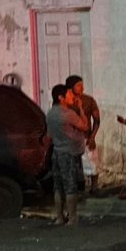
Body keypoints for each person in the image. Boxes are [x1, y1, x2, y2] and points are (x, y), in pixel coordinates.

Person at [45, 83, 90, 226]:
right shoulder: (68, 114)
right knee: (70, 186)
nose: (72, 97)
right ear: (61, 97)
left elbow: (49, 135)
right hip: (68, 153)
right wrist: (81, 108)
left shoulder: (50, 113)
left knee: (58, 187)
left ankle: (59, 217)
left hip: (56, 152)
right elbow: (85, 126)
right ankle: (72, 217)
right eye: (69, 94)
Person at [65, 74, 101, 196]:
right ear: (71, 88)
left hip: (86, 138)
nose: (82, 88)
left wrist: (92, 137)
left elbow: (96, 120)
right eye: (79, 86)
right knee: (74, 166)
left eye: (82, 85)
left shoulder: (89, 100)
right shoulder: (66, 102)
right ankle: (78, 189)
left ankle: (94, 187)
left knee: (92, 163)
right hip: (71, 139)